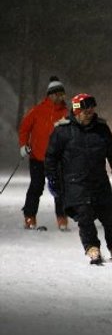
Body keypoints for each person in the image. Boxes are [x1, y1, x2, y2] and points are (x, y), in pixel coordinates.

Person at [44, 93, 112, 264]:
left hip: (100, 182)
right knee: (85, 218)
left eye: (91, 111)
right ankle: (92, 248)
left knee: (111, 217)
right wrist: (52, 179)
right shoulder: (63, 131)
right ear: (76, 112)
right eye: (85, 111)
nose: (90, 114)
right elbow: (51, 157)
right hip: (75, 183)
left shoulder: (101, 129)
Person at [17, 76, 69, 231]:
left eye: (62, 95)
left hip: (58, 159)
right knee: (36, 187)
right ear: (50, 95)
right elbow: (24, 128)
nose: (59, 98)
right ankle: (29, 216)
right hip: (37, 157)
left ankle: (62, 217)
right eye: (57, 94)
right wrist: (23, 145)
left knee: (59, 188)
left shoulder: (67, 113)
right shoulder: (37, 110)